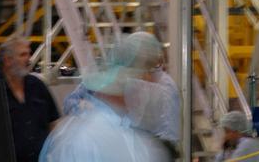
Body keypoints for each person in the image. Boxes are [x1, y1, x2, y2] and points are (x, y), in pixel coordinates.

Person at [47, 33, 178, 162]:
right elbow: (72, 101)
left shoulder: (164, 88)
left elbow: (169, 133)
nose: (147, 81)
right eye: (143, 73)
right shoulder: (87, 138)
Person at [0, 35, 60, 162]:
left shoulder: (37, 85)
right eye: (23, 55)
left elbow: (53, 122)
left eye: (28, 54)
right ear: (8, 60)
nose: (29, 59)